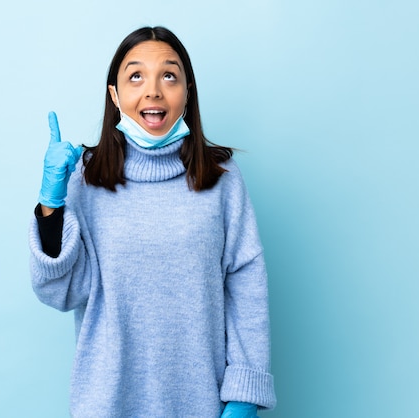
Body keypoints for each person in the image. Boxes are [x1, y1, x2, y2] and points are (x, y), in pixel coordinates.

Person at [29, 26, 276, 418]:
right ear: (115, 95)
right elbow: (61, 293)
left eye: (169, 75)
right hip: (107, 403)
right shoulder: (87, 178)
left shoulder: (221, 177)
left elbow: (246, 284)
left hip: (201, 402)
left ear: (187, 92)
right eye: (136, 76)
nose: (153, 90)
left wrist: (245, 387)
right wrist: (51, 205)